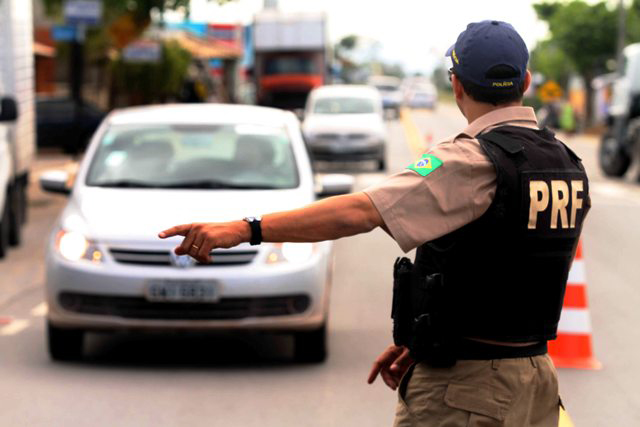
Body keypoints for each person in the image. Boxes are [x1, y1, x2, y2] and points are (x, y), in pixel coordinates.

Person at [159, 20, 590, 427]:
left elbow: (360, 211)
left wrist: (246, 229)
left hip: (468, 390)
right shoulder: (566, 163)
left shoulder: (467, 160)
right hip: (536, 380)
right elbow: (509, 268)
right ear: (526, 82)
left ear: (456, 84)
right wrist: (426, 338)